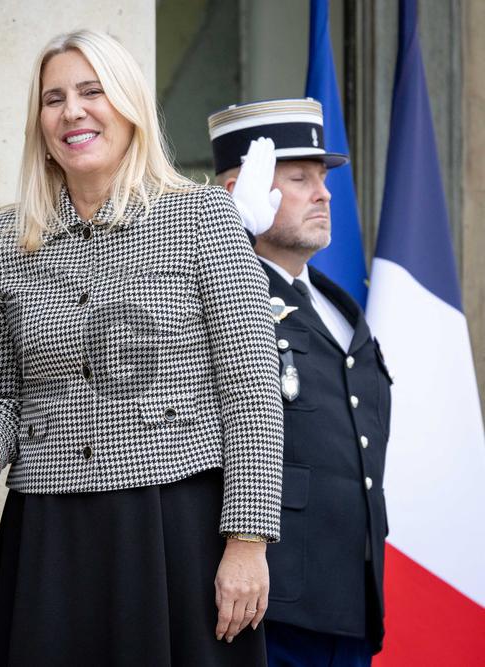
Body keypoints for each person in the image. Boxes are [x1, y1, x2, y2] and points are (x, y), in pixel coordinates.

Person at [0, 30, 284, 666]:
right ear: (38, 123)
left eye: (92, 91)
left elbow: (253, 391)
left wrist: (248, 542)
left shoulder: (202, 214)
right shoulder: (6, 238)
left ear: (129, 107)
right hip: (48, 532)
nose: (72, 111)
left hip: (175, 528)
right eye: (54, 98)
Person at [209, 98, 391, 666]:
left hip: (350, 598)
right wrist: (226, 235)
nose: (325, 193)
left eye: (323, 179)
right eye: (298, 178)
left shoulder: (338, 308)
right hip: (269, 601)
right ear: (246, 187)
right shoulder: (220, 297)